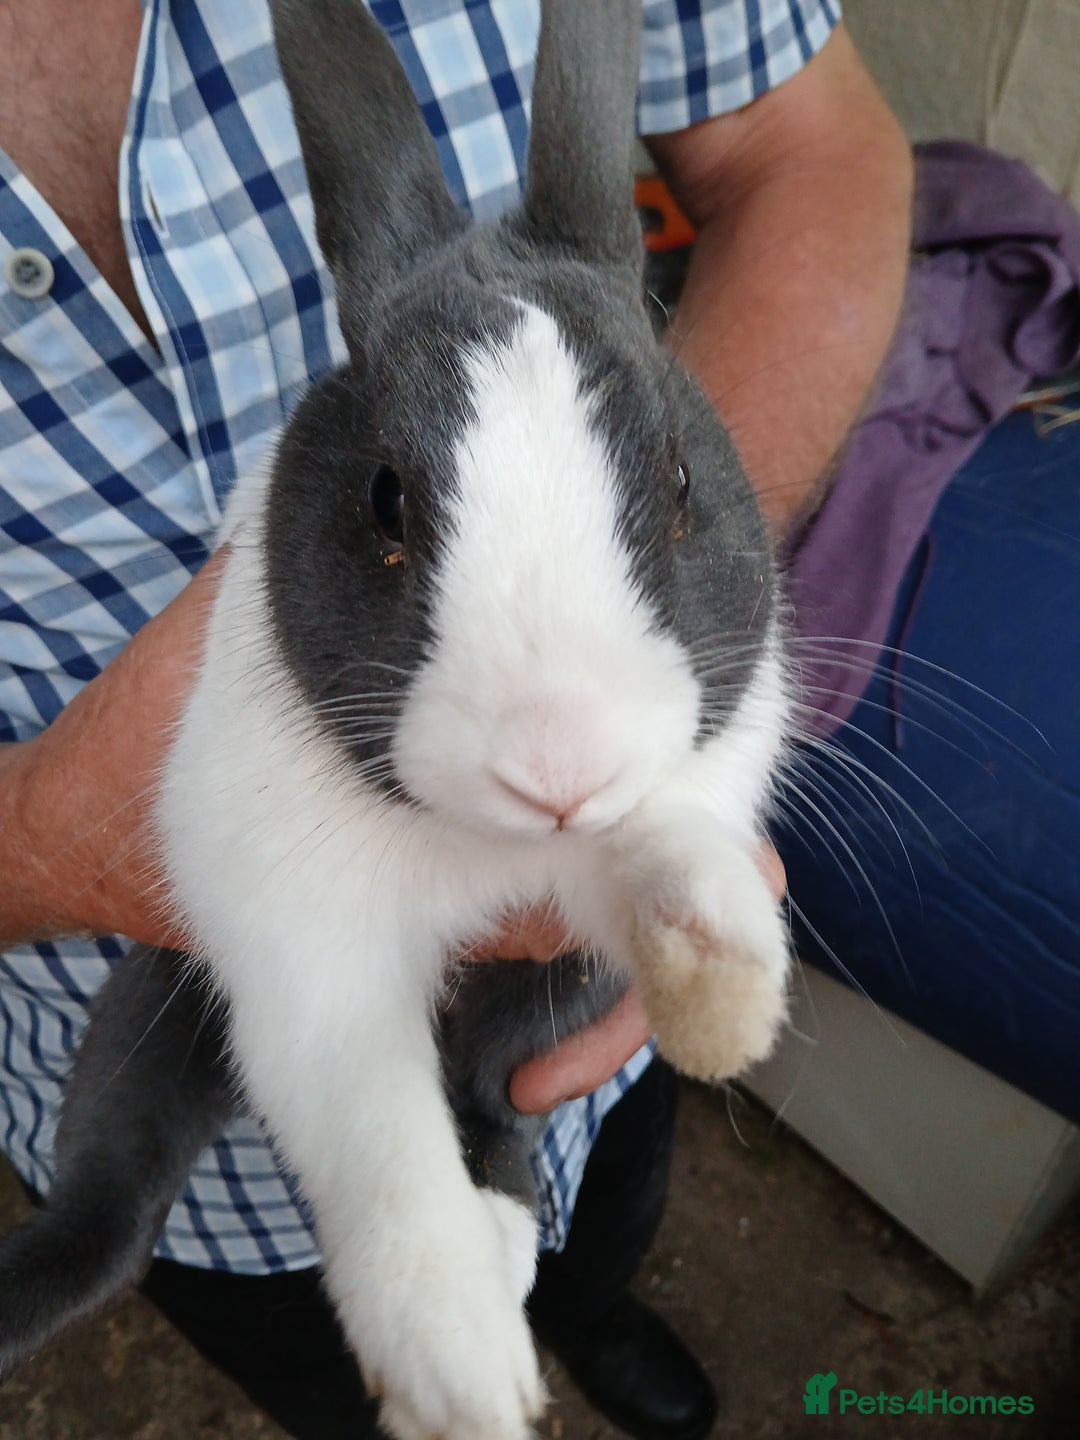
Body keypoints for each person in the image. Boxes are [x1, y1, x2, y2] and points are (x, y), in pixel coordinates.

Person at [0, 1, 912, 1436]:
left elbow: (814, 153)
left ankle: (582, 1293)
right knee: (362, 1372)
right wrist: (42, 838)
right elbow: (300, 937)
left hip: (576, 1059)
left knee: (596, 1186)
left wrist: (683, 849)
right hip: (152, 1076)